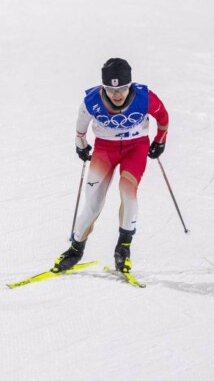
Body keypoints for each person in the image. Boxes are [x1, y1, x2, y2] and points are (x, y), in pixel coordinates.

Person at [51, 58, 169, 274]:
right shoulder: (91, 101)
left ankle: (123, 248)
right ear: (103, 86)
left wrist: (160, 140)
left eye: (122, 88)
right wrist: (81, 145)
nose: (117, 94)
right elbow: (80, 129)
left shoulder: (145, 97)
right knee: (93, 203)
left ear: (130, 85)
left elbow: (163, 117)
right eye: (110, 88)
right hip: (105, 149)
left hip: (136, 148)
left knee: (128, 192)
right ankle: (75, 249)